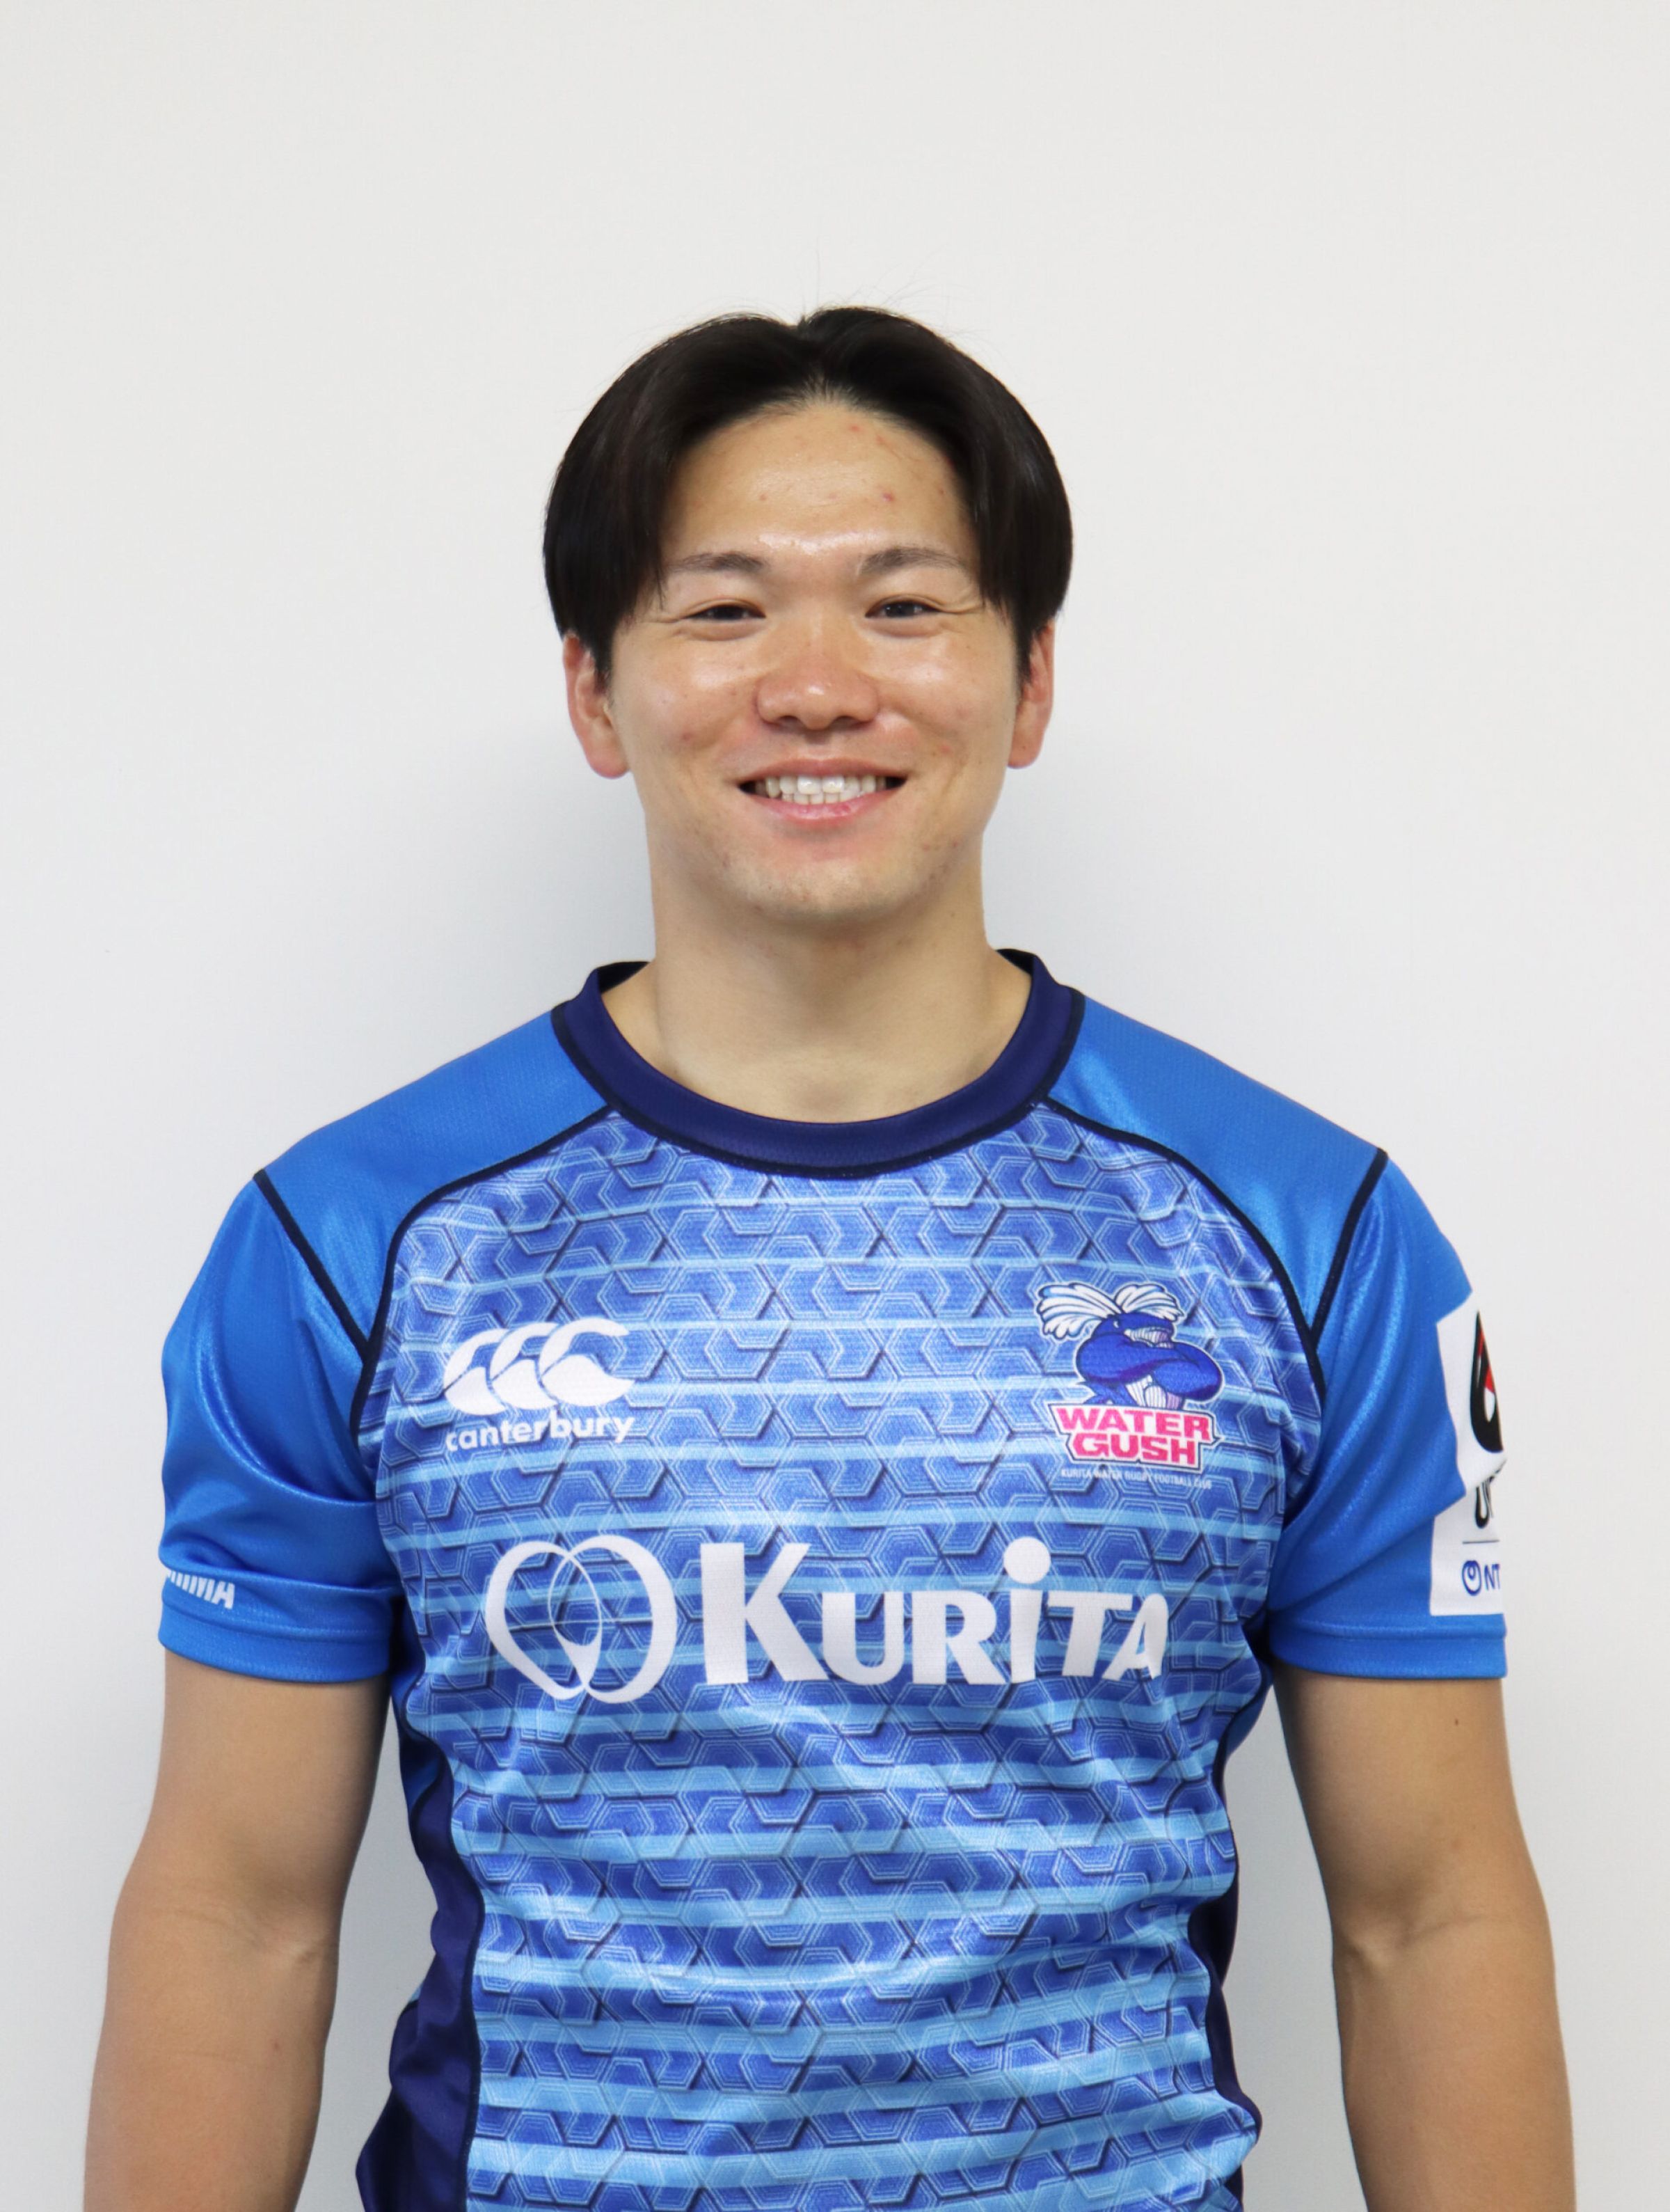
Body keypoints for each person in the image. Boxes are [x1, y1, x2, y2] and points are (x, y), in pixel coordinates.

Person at [86, 308, 1573, 2212]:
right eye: (723, 612)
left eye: (904, 606)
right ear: (595, 691)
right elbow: (237, 1912)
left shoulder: (1315, 1236)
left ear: (1030, 681)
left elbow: (1431, 1912)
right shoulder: (354, 1245)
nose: (815, 686)